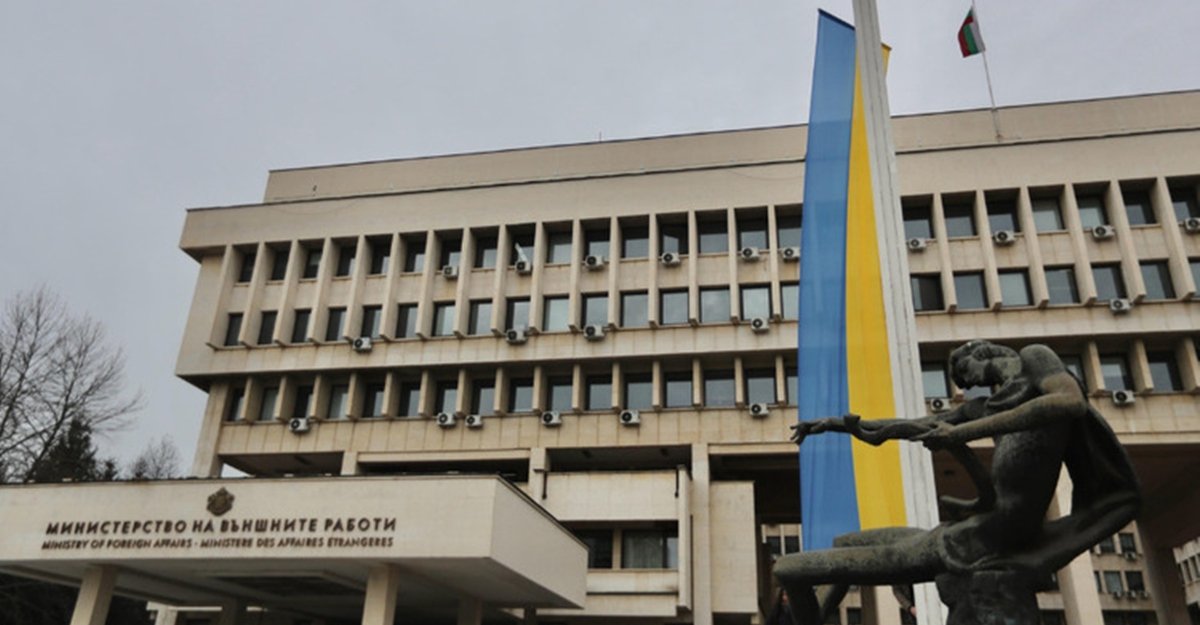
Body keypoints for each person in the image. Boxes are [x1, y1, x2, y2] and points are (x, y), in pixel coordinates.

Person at [775, 340, 1140, 624]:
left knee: (788, 569)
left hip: (975, 545)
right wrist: (836, 425)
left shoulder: (1036, 362)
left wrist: (961, 433)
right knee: (843, 542)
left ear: (981, 351)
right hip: (965, 535)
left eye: (963, 371)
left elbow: (1069, 401)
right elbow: (913, 425)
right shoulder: (988, 408)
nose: (965, 384)